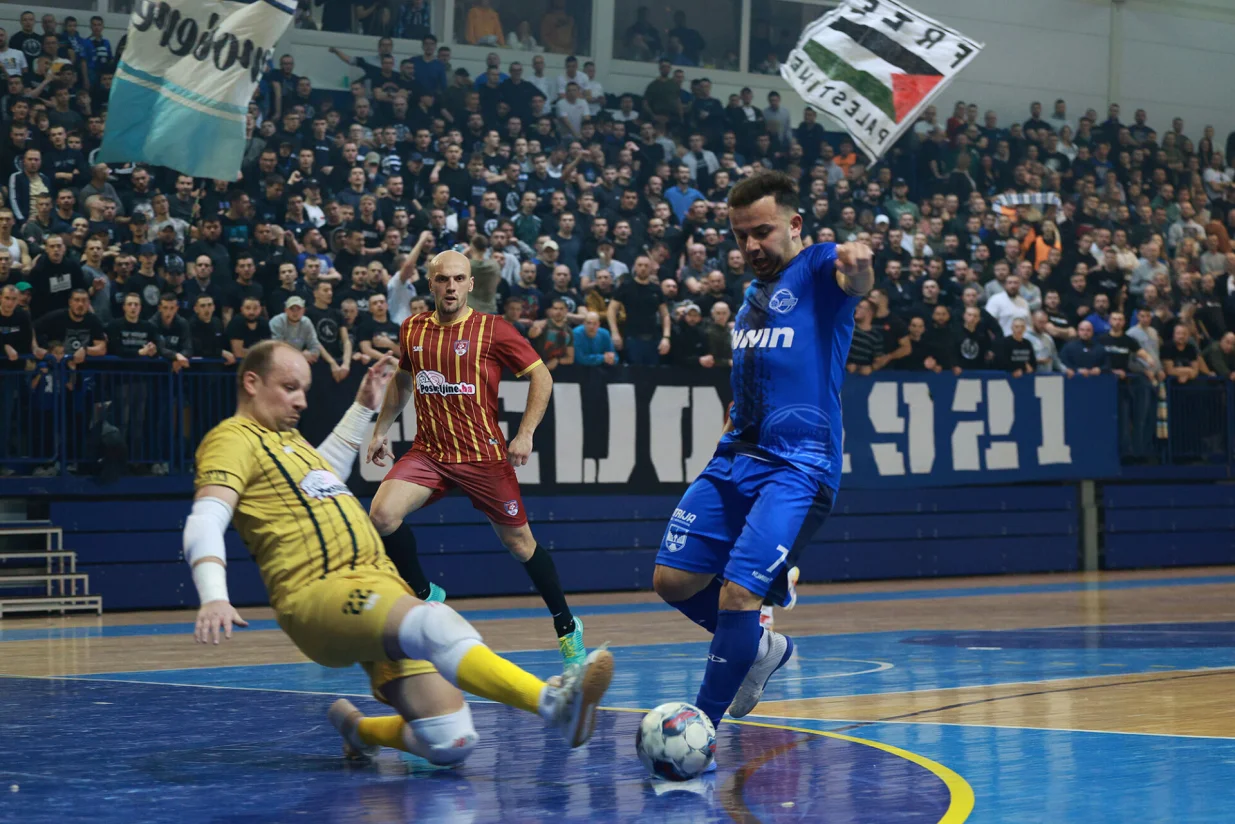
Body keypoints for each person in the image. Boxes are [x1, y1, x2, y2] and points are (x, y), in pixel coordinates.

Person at [185, 342, 613, 767]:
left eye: (304, 390)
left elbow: (325, 471)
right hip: (320, 591)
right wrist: (213, 595)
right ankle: (556, 705)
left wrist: (363, 407)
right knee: (434, 621)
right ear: (252, 382)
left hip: (378, 583)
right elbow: (206, 518)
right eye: (290, 387)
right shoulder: (231, 439)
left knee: (452, 741)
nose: (301, 401)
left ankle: (359, 730)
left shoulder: (289, 442)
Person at [651, 172, 873, 738]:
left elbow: (853, 278)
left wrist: (859, 263)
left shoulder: (817, 268)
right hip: (734, 458)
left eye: (762, 232)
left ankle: (700, 729)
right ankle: (760, 648)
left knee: (739, 591)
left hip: (797, 468)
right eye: (740, 235)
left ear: (794, 225)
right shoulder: (753, 296)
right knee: (672, 580)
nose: (750, 245)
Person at [365, 250, 588, 667]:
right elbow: (403, 379)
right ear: (431, 284)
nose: (450, 287)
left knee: (520, 544)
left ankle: (566, 624)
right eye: (442, 279)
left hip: (483, 457)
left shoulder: (493, 329)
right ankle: (425, 593)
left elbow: (541, 375)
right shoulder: (412, 328)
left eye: (458, 279)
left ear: (470, 284)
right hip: (430, 453)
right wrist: (380, 430)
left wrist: (525, 433)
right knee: (381, 515)